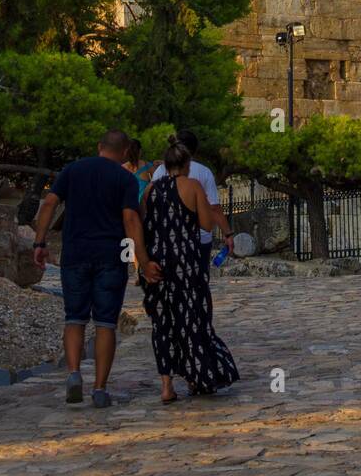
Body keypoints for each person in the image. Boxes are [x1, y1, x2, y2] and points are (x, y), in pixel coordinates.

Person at [32, 130, 161, 408]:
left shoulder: (72, 170)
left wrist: (40, 242)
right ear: (125, 152)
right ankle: (100, 389)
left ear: (99, 146)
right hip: (110, 257)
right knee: (105, 323)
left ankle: (74, 373)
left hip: (75, 254)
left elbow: (50, 203)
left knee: (74, 318)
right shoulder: (124, 178)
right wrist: (144, 258)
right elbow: (131, 219)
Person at [141, 140, 239, 404]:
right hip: (186, 264)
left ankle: (166, 386)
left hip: (158, 264)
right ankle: (196, 376)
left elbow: (143, 225)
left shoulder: (150, 190)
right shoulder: (193, 186)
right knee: (192, 318)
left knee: (163, 323)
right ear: (185, 165)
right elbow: (206, 224)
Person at [149, 128, 232, 274]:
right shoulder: (202, 173)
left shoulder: (160, 171)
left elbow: (150, 207)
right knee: (197, 280)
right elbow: (213, 209)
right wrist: (227, 234)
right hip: (197, 239)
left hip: (166, 237)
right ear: (194, 150)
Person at [123, 138, 154, 204]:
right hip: (145, 207)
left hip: (127, 207)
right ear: (140, 151)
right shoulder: (148, 167)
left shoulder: (121, 169)